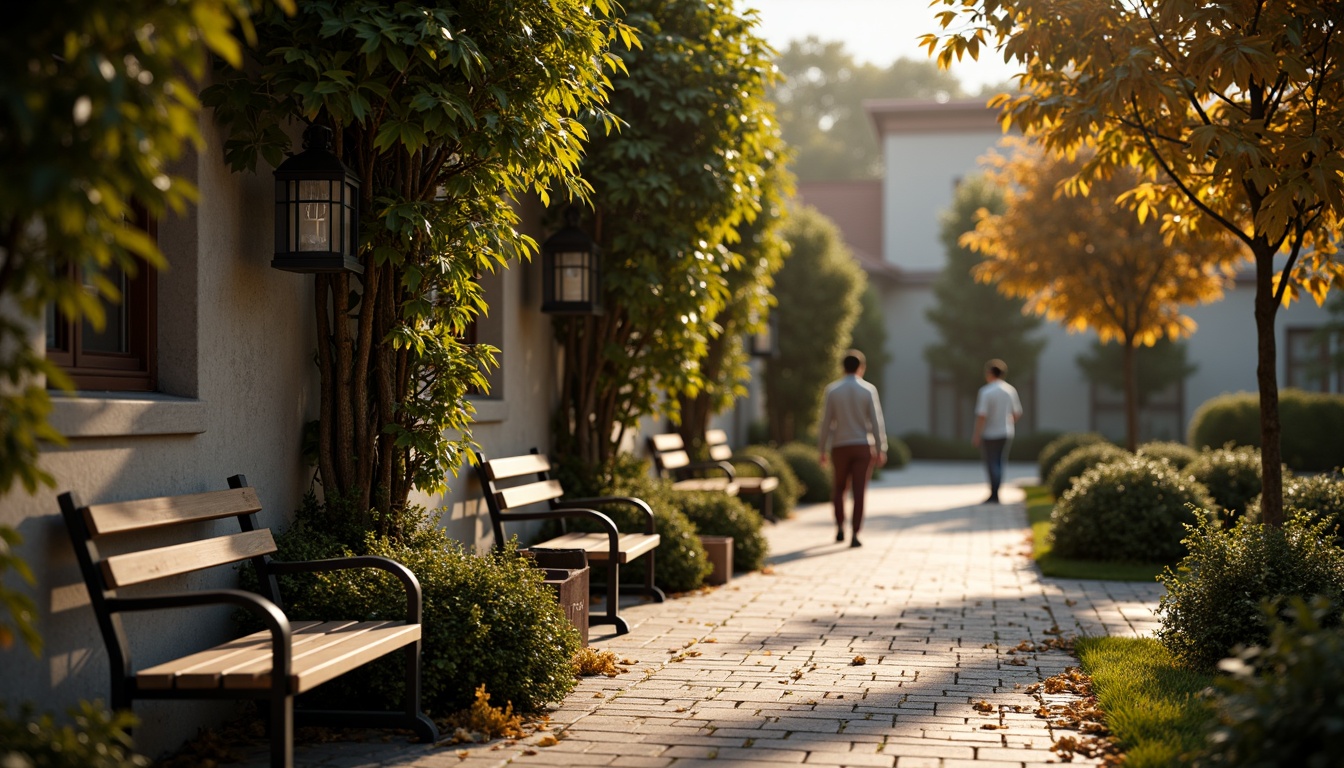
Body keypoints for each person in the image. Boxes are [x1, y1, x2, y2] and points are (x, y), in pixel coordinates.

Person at [818, 350, 888, 547]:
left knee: (839, 488)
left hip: (840, 446)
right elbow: (876, 422)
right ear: (861, 368)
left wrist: (821, 449)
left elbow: (826, 423)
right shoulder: (868, 390)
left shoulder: (832, 390)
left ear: (842, 368)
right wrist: (881, 447)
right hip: (862, 446)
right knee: (859, 491)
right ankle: (855, 533)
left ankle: (840, 526)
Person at [972, 358, 1023, 504]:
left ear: (989, 373)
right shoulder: (1010, 390)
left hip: (990, 433)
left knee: (991, 462)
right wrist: (1007, 421)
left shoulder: (986, 392)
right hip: (1006, 432)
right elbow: (1017, 412)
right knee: (1000, 462)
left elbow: (982, 416)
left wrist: (977, 434)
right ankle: (996, 492)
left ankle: (994, 493)